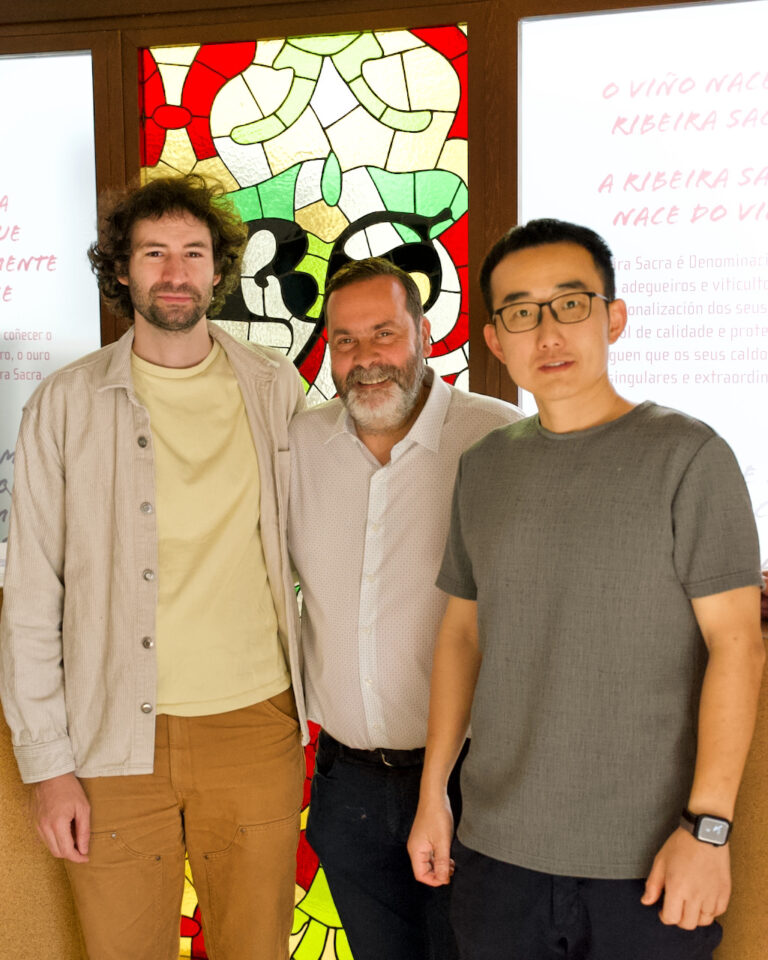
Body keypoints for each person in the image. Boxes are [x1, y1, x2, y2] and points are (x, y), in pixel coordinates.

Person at [408, 219, 765, 960]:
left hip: (648, 862)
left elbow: (737, 644)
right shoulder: (485, 467)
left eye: (571, 304)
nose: (548, 333)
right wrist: (434, 794)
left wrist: (709, 828)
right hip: (497, 853)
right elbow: (461, 636)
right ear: (495, 340)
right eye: (521, 312)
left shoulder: (689, 457)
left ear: (614, 317)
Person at [0, 175, 307, 960]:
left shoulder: (276, 390)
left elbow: (324, 549)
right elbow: (33, 597)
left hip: (253, 723)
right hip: (110, 735)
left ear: (217, 270)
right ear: (123, 271)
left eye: (193, 253)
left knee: (257, 948)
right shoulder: (63, 406)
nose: (175, 271)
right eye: (154, 253)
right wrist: (48, 768)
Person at [287, 257, 520, 960]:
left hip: (473, 782)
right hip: (346, 786)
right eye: (346, 341)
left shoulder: (497, 439)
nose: (364, 360)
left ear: (423, 333)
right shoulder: (299, 446)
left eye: (383, 334)